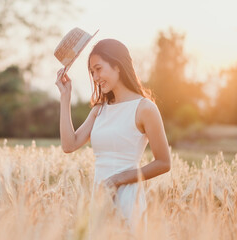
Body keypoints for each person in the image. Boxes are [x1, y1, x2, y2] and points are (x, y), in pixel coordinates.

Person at [55, 38, 171, 237]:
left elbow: (163, 162)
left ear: (117, 66)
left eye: (99, 69)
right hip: (100, 197)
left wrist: (118, 179)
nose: (95, 76)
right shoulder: (100, 109)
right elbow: (69, 145)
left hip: (128, 198)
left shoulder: (145, 108)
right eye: (92, 72)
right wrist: (65, 98)